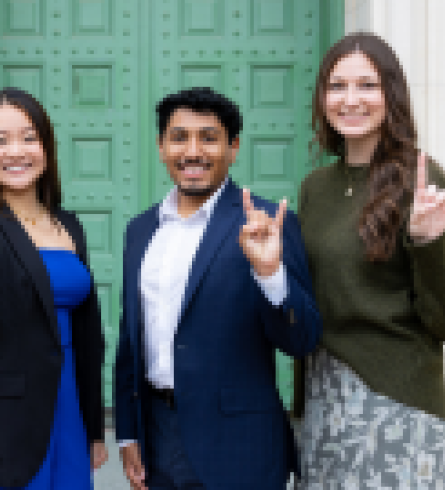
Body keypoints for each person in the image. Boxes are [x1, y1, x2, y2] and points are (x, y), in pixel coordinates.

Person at [293, 32, 445, 489]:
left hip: (397, 399)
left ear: (391, 95)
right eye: (337, 86)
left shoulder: (422, 181)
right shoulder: (315, 187)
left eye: (368, 85)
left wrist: (428, 242)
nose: (350, 99)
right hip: (322, 396)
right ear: (322, 98)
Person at [114, 86, 321, 490]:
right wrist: (127, 431)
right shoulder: (140, 230)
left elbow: (303, 338)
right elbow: (130, 341)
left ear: (233, 147)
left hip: (240, 446)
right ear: (161, 147)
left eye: (208, 138)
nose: (192, 151)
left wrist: (270, 274)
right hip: (158, 437)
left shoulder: (268, 225)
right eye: (179, 137)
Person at [0, 87, 108, 490]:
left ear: (46, 147)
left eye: (29, 137)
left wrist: (94, 427)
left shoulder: (69, 224)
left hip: (67, 416)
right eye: (1, 140)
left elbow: (86, 337)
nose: (17, 151)